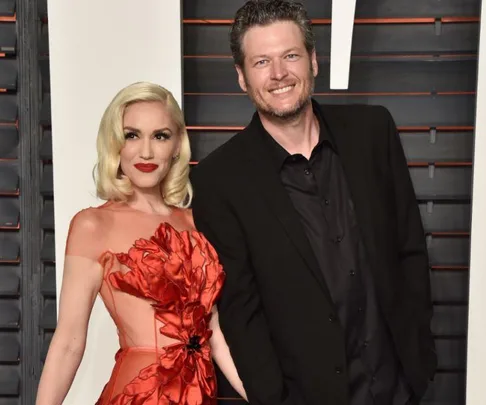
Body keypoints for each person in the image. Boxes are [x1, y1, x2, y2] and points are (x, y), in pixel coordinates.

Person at [190, 1, 437, 405]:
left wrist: (420, 358)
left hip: (399, 388)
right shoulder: (219, 179)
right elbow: (240, 310)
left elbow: (409, 247)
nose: (278, 74)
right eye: (261, 62)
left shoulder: (373, 132)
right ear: (241, 76)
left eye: (290, 55)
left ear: (314, 61)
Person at [35, 82, 246, 405]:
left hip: (200, 392)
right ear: (114, 145)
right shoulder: (93, 225)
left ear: (177, 146)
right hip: (139, 394)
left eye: (160, 135)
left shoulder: (196, 223)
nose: (145, 151)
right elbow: (69, 341)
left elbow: (214, 334)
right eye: (131, 135)